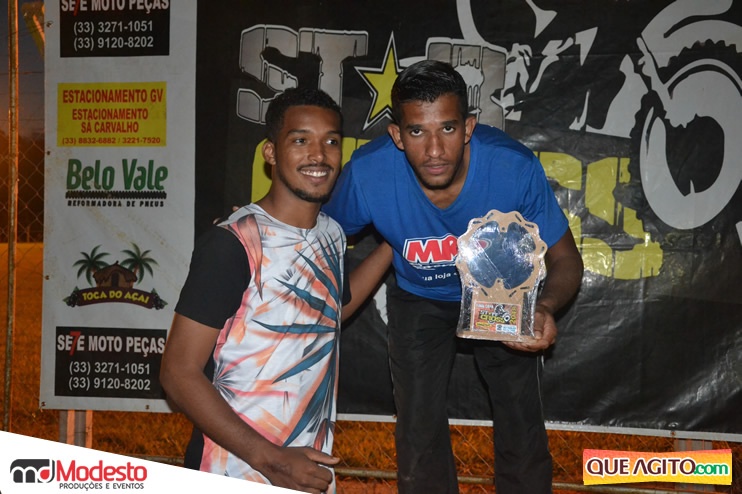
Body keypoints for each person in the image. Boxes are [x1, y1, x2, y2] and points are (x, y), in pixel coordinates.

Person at [322, 60, 584, 493]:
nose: (434, 150)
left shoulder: (511, 167)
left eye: (447, 128)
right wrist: (259, 226)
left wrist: (546, 306)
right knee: (418, 425)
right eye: (417, 132)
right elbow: (317, 235)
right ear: (396, 135)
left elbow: (566, 259)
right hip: (418, 296)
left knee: (520, 417)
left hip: (499, 295)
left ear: (468, 128)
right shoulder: (369, 172)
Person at [160, 87, 391, 494]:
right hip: (233, 468)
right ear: (270, 152)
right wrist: (273, 460)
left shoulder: (332, 234)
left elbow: (329, 311)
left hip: (305, 467)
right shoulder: (233, 243)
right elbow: (178, 373)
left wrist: (395, 242)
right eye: (300, 140)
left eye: (331, 142)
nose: (319, 155)